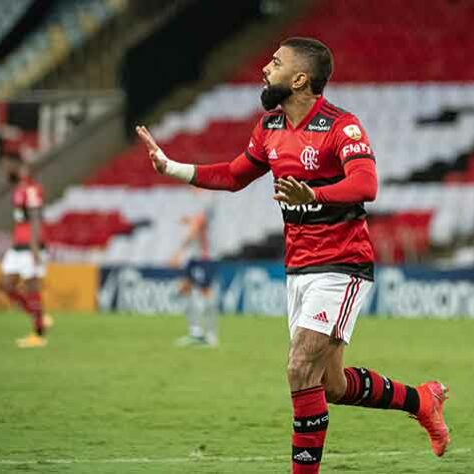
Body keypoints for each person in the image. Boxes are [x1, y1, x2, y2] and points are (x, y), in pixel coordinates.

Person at [136, 37, 450, 472]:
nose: (266, 68)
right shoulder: (269, 128)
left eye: (276, 62)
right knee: (332, 385)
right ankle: (422, 401)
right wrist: (171, 166)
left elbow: (366, 185)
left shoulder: (343, 126)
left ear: (300, 78)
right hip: (298, 267)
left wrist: (315, 194)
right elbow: (232, 175)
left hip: (342, 264)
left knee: (300, 367)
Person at [0, 151, 53, 348]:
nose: (3, 169)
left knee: (32, 288)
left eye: (5, 165)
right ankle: (38, 315)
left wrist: (35, 248)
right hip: (17, 246)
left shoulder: (30, 189)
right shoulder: (20, 187)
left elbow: (36, 218)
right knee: (5, 284)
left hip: (31, 246)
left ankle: (38, 335)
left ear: (16, 165)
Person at [171, 207, 219, 347]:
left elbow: (195, 228)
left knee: (206, 293)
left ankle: (211, 336)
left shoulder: (206, 204)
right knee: (184, 288)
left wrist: (178, 252)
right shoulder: (199, 208)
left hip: (205, 259)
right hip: (195, 258)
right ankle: (195, 333)